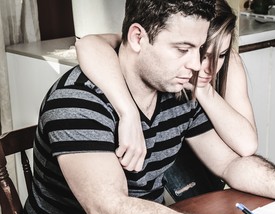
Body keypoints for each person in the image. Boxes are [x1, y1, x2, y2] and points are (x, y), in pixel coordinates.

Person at [23, 0, 275, 214]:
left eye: (200, 49)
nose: (197, 66)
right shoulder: (78, 100)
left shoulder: (178, 89)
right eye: (182, 48)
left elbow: (229, 162)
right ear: (137, 38)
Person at [75, 0, 258, 201]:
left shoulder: (226, 64)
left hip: (211, 158)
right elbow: (88, 44)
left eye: (221, 54)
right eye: (198, 53)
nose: (204, 66)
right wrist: (128, 112)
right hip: (174, 160)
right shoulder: (157, 44)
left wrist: (203, 90)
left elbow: (247, 144)